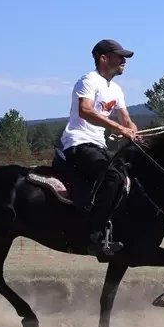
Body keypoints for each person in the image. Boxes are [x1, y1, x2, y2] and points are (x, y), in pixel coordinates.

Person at [59, 39, 140, 257]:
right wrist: (117, 127)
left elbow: (126, 119)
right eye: (119, 56)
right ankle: (94, 237)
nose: (124, 60)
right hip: (78, 143)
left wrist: (132, 130)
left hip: (98, 145)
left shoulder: (116, 89)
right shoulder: (88, 80)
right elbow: (85, 111)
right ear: (103, 58)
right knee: (112, 178)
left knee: (127, 177)